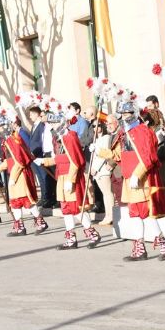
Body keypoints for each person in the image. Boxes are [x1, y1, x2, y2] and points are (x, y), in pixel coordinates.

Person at [97, 98, 165, 261]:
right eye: (122, 114)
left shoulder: (143, 131)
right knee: (136, 214)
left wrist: (137, 175)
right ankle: (140, 249)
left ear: (134, 113)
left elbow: (148, 157)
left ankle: (162, 242)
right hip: (128, 177)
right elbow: (120, 156)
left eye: (127, 113)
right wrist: (102, 152)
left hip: (141, 178)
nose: (124, 116)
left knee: (146, 212)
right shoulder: (124, 133)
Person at [36, 111, 101, 250]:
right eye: (51, 124)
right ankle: (71, 239)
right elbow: (60, 159)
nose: (52, 126)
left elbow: (76, 162)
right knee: (66, 209)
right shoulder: (60, 138)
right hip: (62, 177)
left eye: (54, 123)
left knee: (76, 209)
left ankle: (93, 235)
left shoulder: (69, 136)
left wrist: (70, 180)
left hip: (70, 178)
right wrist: (44, 161)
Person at [0, 109, 48, 237]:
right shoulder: (7, 141)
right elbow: (10, 161)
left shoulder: (13, 140)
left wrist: (13, 177)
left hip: (20, 175)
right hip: (14, 174)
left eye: (0, 127)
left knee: (26, 201)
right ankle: (19, 227)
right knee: (15, 202)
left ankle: (41, 222)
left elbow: (20, 162)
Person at [29, 106, 55, 209]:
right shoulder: (35, 126)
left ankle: (48, 198)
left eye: (31, 114)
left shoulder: (41, 125)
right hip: (36, 155)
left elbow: (40, 141)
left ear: (36, 114)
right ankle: (45, 197)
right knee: (42, 178)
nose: (30, 116)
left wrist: (37, 152)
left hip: (41, 154)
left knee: (46, 177)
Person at [90, 121, 114, 226]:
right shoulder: (97, 139)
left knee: (108, 193)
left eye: (98, 125)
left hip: (102, 169)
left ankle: (111, 215)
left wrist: (96, 168)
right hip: (96, 171)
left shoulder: (106, 138)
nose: (95, 127)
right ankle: (107, 215)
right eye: (93, 126)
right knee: (105, 193)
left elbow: (104, 155)